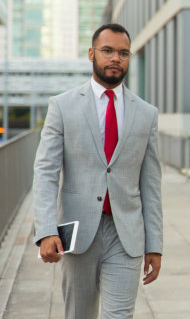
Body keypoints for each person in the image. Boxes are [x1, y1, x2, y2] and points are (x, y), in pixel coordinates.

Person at [33, 23, 163, 319]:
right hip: (78, 235)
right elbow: (46, 173)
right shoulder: (62, 107)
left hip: (126, 234)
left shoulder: (146, 114)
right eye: (107, 51)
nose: (115, 58)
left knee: (119, 315)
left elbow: (151, 184)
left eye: (123, 53)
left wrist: (155, 244)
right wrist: (45, 231)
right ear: (92, 54)